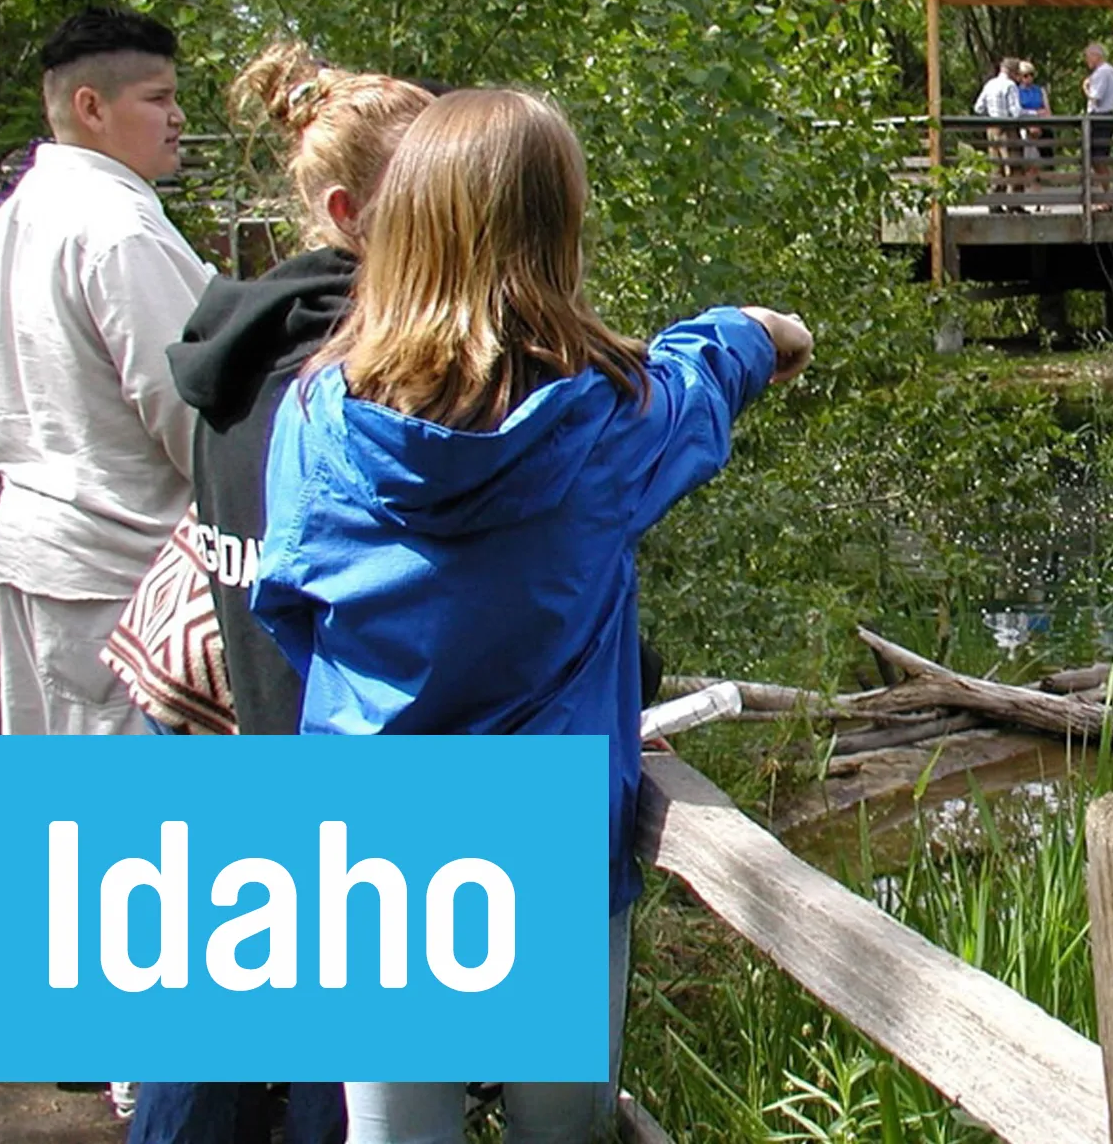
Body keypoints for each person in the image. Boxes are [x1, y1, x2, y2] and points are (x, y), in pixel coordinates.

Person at [249, 89, 813, 1144]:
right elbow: (705, 375)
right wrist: (763, 327)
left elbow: (287, 613)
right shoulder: (606, 423)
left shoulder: (319, 416)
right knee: (563, 1129)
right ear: (559, 233)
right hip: (544, 839)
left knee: (394, 1132)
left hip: (366, 834)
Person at [106, 42, 435, 1144]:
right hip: (315, 746)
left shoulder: (231, 351)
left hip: (209, 710)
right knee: (322, 1078)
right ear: (353, 211)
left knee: (196, 1035)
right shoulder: (369, 373)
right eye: (440, 192)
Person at [0, 6, 210, 738]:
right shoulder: (118, 229)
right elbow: (188, 406)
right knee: (132, 829)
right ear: (91, 106)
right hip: (119, 573)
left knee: (54, 813)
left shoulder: (10, 220)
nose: (178, 117)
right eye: (158, 99)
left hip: (39, 555)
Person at [1081, 41, 1113, 210]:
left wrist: (1086, 88)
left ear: (1096, 56)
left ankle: (1107, 197)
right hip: (1108, 116)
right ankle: (1106, 196)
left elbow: (1096, 98)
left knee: (1097, 158)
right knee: (1098, 159)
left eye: (1088, 57)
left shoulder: (1101, 73)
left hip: (1099, 117)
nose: (1087, 61)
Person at [971, 57, 1023, 204]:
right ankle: (1014, 203)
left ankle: (994, 203)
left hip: (992, 128)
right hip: (1008, 128)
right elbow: (1016, 112)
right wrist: (1031, 114)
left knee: (996, 166)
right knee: (1013, 165)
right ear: (1013, 72)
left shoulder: (990, 84)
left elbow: (978, 108)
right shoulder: (1010, 85)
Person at [1015, 59, 1050, 189]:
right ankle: (1028, 189)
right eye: (1025, 75)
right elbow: (1017, 111)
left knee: (1035, 161)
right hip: (1023, 128)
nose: (1028, 78)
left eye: (1031, 75)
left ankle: (1036, 191)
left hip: (1038, 128)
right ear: (1019, 77)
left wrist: (1038, 118)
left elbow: (1047, 111)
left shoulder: (1039, 90)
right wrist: (1035, 113)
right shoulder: (1016, 91)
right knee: (1026, 160)